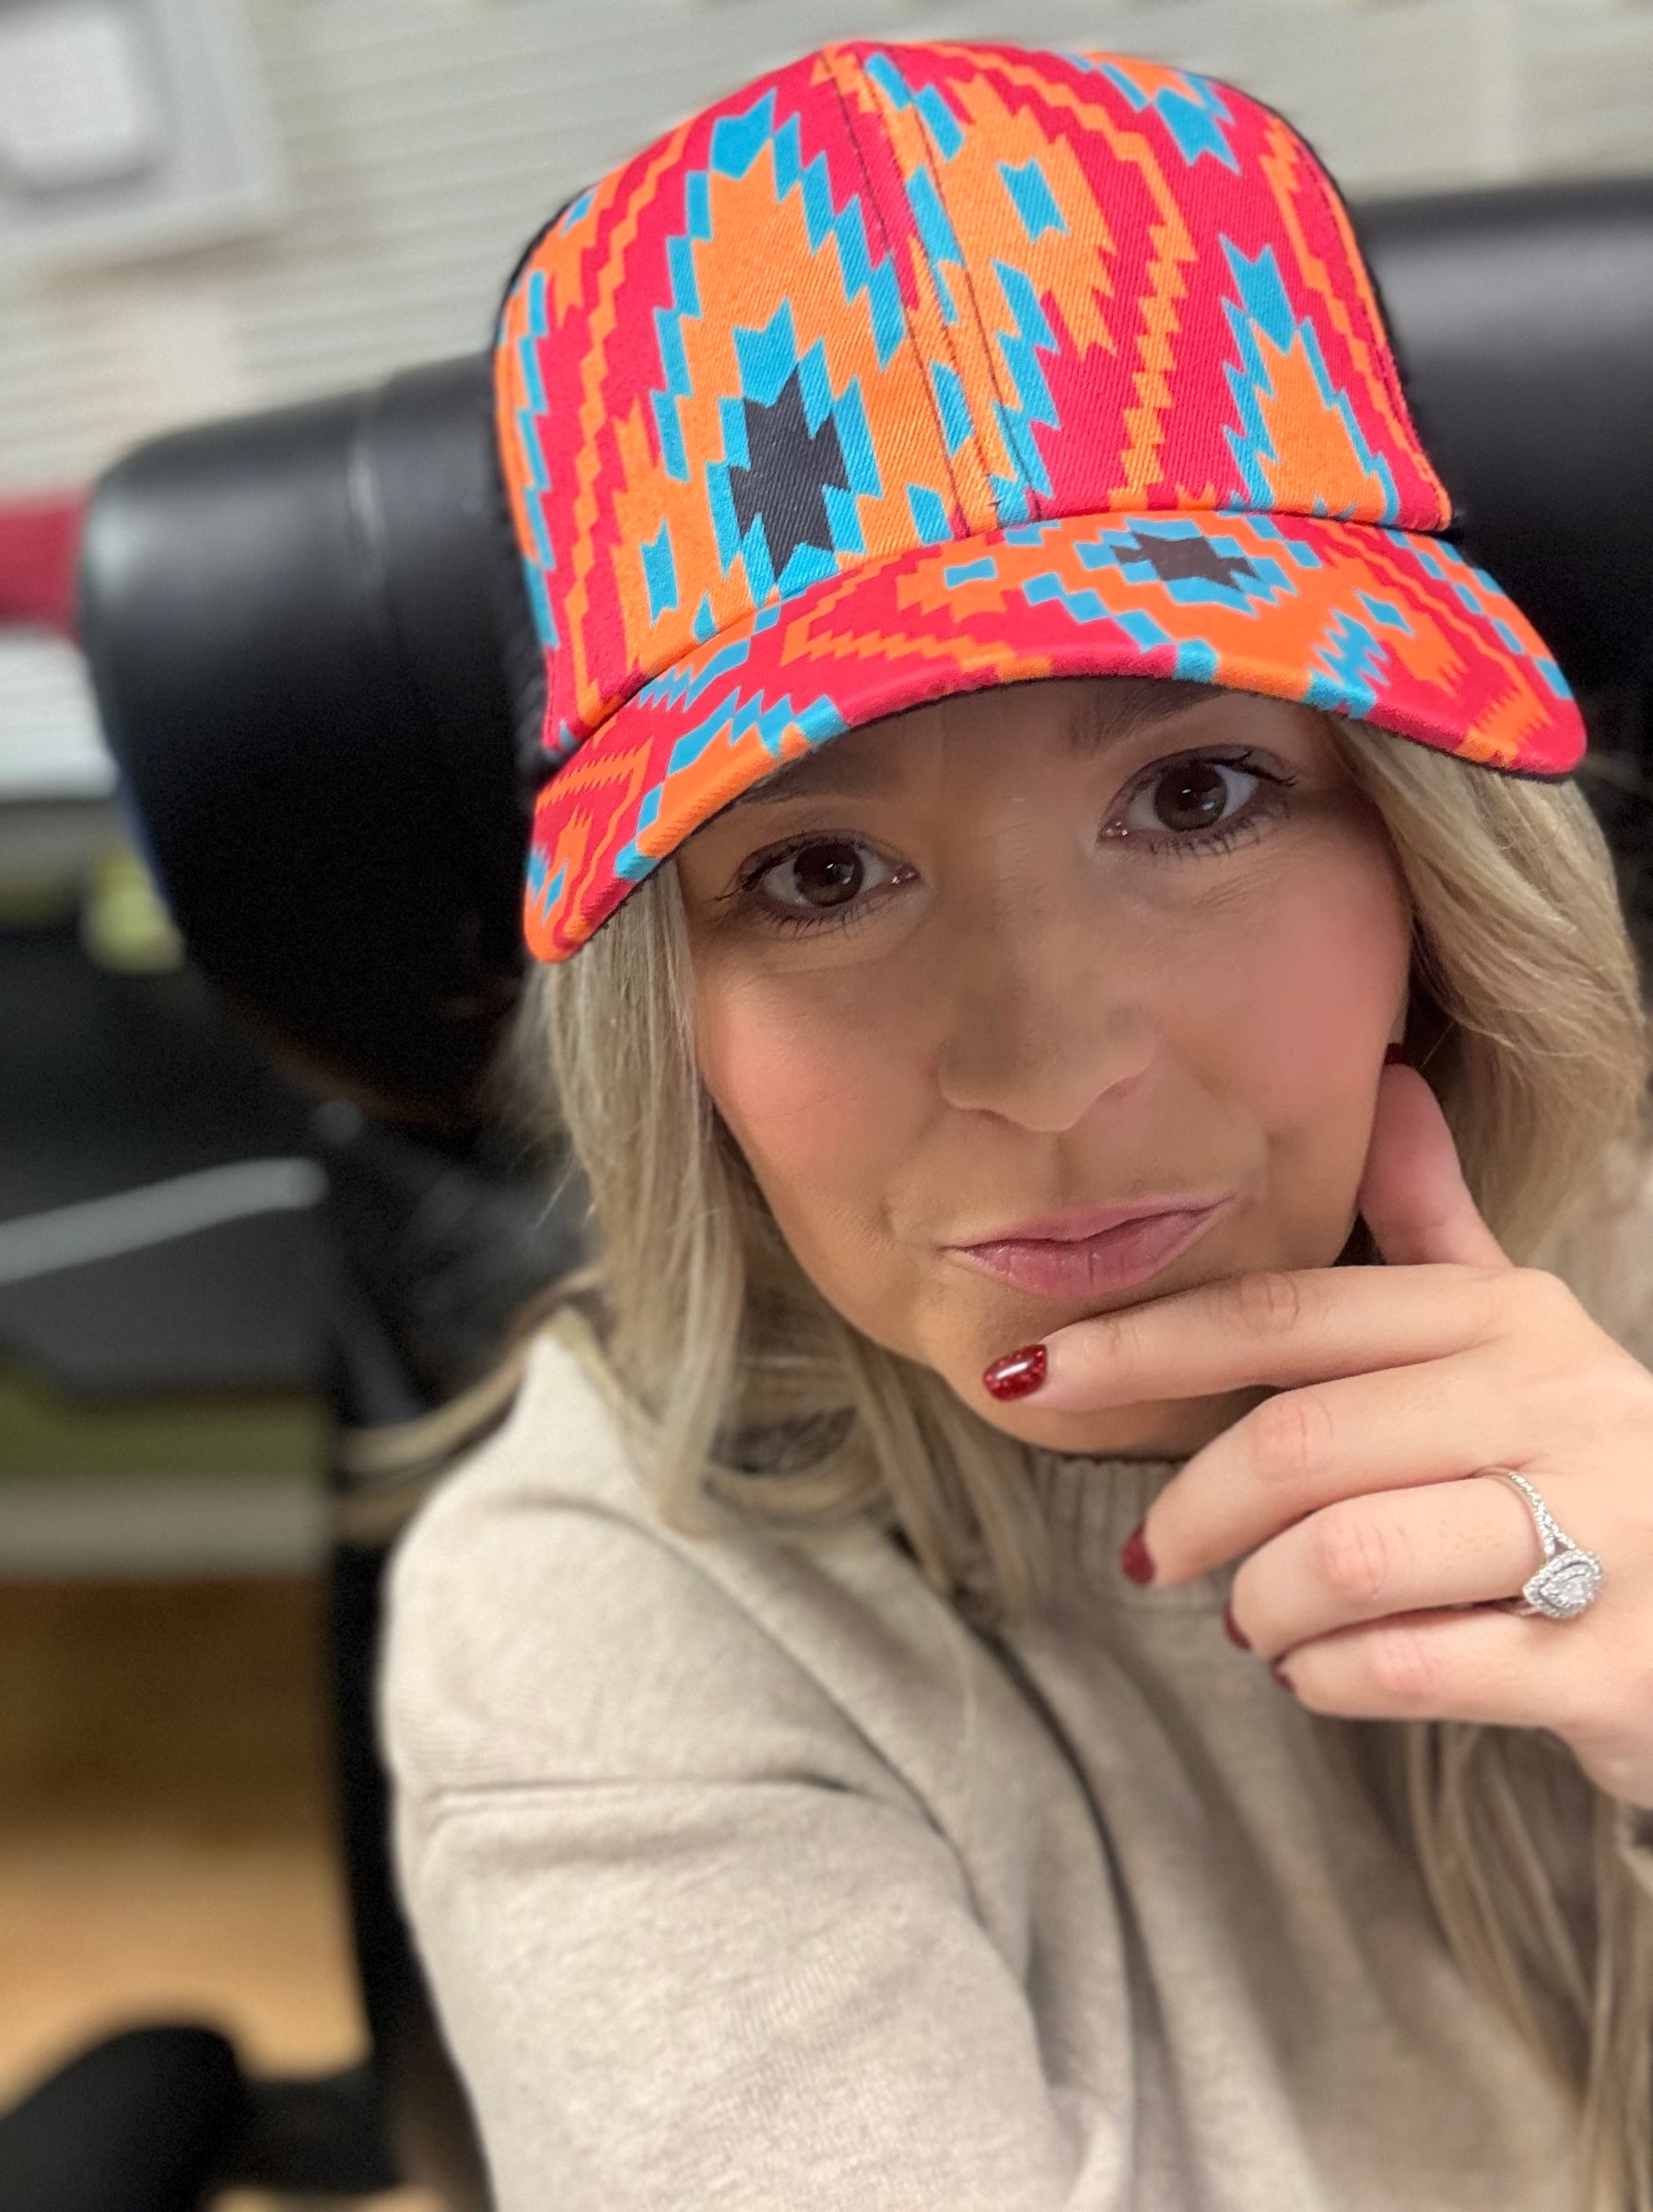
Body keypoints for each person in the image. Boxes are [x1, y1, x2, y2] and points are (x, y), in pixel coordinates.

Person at [381, 41, 1653, 2211]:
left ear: (1427, 861)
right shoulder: (601, 1625)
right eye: (815, 870)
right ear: (666, 1020)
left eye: (1197, 791)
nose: (1049, 1073)